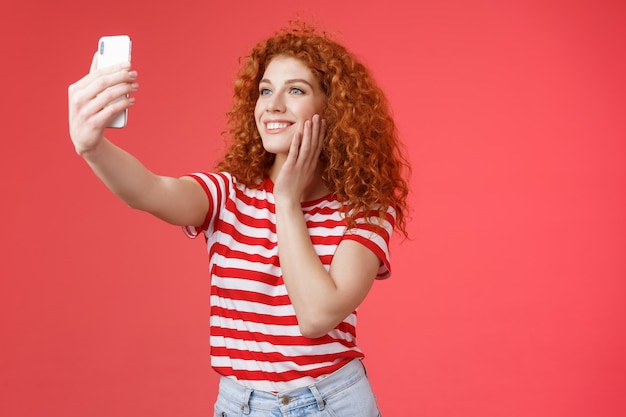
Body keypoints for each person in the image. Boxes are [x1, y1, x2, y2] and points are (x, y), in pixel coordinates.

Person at [68, 21, 410, 417]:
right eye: (265, 90)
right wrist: (92, 147)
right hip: (240, 406)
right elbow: (150, 192)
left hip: (332, 403)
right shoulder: (228, 194)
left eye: (295, 90)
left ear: (333, 109)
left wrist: (286, 201)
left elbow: (317, 315)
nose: (273, 105)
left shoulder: (364, 210)